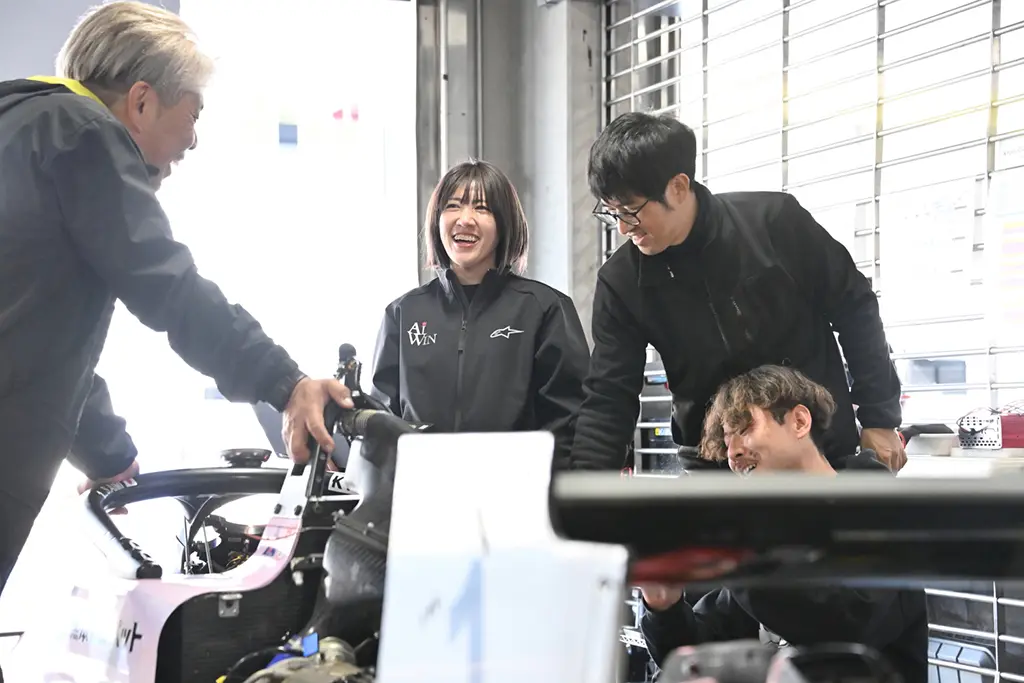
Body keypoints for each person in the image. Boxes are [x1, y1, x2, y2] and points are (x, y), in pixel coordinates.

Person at [0, 1, 353, 600]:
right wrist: (285, 383)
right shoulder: (85, 135)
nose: (192, 140)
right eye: (192, 115)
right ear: (141, 102)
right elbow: (169, 288)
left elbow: (40, 334)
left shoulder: (24, 124)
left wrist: (108, 453)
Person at [569, 112, 906, 473]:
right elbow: (610, 394)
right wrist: (586, 486)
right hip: (715, 461)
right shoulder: (621, 282)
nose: (623, 228)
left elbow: (855, 308)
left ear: (678, 187)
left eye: (630, 211)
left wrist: (879, 417)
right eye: (612, 213)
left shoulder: (774, 223)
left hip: (814, 446)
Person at [637, 365, 927, 683]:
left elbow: (848, 628)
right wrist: (664, 606)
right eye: (727, 442)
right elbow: (698, 652)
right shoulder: (776, 535)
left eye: (744, 429)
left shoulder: (882, 516)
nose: (733, 454)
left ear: (799, 421)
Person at [369, 160, 590, 468]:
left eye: (482, 208)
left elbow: (569, 420)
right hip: (422, 487)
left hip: (517, 488)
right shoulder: (403, 313)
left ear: (504, 223)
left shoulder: (544, 308)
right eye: (453, 206)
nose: (465, 219)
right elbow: (381, 421)